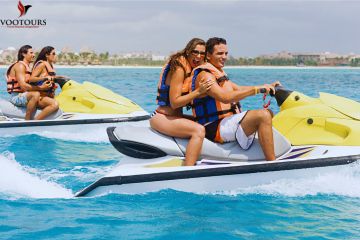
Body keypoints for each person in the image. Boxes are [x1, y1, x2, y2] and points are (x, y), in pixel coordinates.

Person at [189, 37, 280, 161]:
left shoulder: (218, 72)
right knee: (262, 115)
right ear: (208, 55)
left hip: (225, 123)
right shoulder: (205, 76)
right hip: (214, 127)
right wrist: (257, 89)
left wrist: (267, 86)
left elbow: (238, 89)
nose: (224, 57)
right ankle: (272, 164)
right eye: (220, 53)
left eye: (226, 53)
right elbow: (224, 97)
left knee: (269, 113)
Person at [150, 38, 214, 166]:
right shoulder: (179, 68)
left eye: (202, 53)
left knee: (208, 123)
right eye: (195, 52)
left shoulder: (193, 68)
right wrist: (198, 92)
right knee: (199, 130)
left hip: (173, 117)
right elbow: (174, 103)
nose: (198, 56)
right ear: (188, 51)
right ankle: (188, 169)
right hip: (162, 117)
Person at [6, 45, 58, 120]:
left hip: (26, 95)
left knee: (44, 97)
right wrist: (40, 88)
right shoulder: (20, 66)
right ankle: (27, 121)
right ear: (24, 54)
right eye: (31, 53)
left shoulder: (27, 67)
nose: (34, 55)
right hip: (17, 96)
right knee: (35, 94)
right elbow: (23, 86)